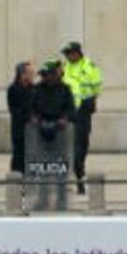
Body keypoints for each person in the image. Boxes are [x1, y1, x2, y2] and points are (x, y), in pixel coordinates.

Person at [30, 60, 76, 210]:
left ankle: (61, 201)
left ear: (54, 75)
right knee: (43, 168)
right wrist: (34, 118)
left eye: (47, 74)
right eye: (43, 75)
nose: (45, 78)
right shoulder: (36, 89)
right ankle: (43, 200)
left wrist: (64, 118)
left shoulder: (65, 90)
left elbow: (71, 110)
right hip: (41, 132)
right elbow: (29, 109)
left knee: (60, 169)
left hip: (60, 133)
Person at [61, 41, 101, 193]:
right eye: (66, 54)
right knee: (65, 146)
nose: (67, 56)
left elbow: (97, 87)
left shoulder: (89, 66)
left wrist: (89, 101)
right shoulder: (64, 67)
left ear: (77, 52)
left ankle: (79, 175)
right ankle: (69, 179)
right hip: (68, 112)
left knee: (81, 145)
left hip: (83, 112)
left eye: (69, 53)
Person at [7, 61, 35, 176]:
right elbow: (15, 110)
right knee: (18, 154)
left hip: (33, 129)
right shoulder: (13, 89)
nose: (32, 75)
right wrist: (28, 116)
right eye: (30, 73)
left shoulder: (34, 89)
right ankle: (17, 179)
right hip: (19, 128)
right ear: (22, 74)